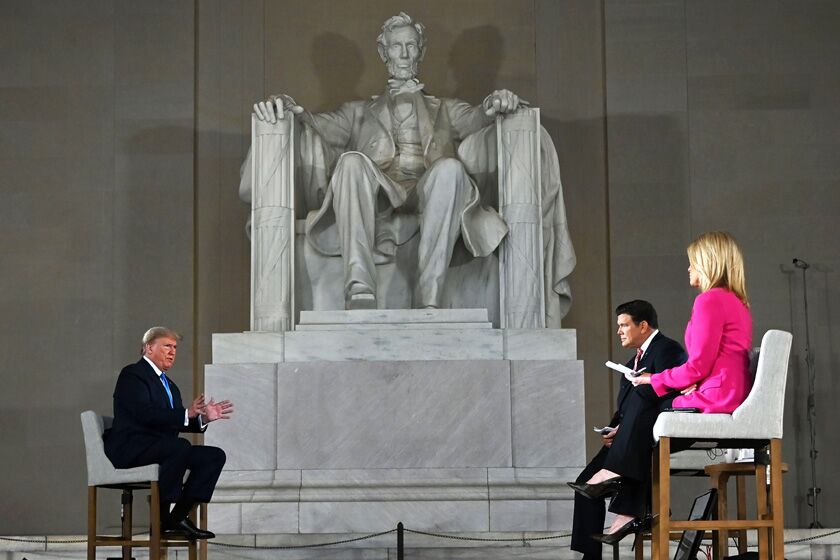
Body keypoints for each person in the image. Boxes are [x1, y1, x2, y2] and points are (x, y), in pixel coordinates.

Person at [248, 12, 575, 313]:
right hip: (378, 195)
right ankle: (359, 285)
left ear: (420, 51)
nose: (403, 54)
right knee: (350, 162)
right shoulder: (358, 112)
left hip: (428, 190)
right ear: (384, 53)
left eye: (410, 46)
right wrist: (288, 106)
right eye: (396, 47)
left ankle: (430, 292)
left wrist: (497, 101)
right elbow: (316, 123)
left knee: (450, 168)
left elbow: (478, 118)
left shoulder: (445, 108)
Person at [569, 231, 753, 545]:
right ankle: (626, 513)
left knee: (646, 392)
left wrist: (653, 379)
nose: (689, 268)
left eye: (692, 262)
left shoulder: (710, 300)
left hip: (717, 396)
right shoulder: (736, 302)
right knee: (645, 421)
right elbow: (714, 361)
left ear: (708, 262)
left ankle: (615, 482)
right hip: (722, 390)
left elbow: (698, 365)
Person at [570, 300, 687, 560]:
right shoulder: (632, 361)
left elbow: (669, 392)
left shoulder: (668, 349)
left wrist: (626, 428)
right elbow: (626, 408)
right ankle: (590, 557)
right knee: (584, 485)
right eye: (618, 326)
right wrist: (613, 428)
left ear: (643, 325)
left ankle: (637, 508)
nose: (619, 331)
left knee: (635, 452)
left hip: (648, 436)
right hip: (624, 437)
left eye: (624, 325)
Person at [104, 327, 234, 540]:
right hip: (131, 448)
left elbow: (175, 421)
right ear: (148, 347)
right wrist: (186, 413)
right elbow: (144, 414)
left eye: (174, 347)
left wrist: (203, 419)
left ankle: (177, 517)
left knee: (213, 456)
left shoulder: (170, 385)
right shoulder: (133, 374)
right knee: (179, 446)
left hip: (163, 448)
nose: (172, 351)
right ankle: (162, 516)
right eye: (166, 346)